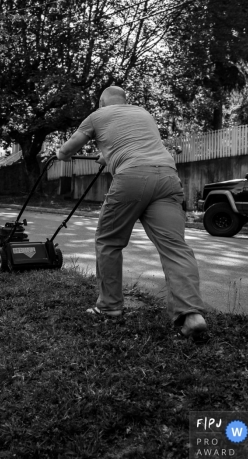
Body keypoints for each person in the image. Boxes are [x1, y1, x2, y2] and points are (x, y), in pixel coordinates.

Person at [51, 86, 210, 344]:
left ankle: (109, 306)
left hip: (133, 177)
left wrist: (60, 154)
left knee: (109, 241)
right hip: (168, 177)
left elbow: (69, 150)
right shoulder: (143, 114)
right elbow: (133, 144)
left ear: (102, 102)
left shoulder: (97, 116)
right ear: (125, 101)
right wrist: (106, 156)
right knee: (175, 247)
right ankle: (191, 314)